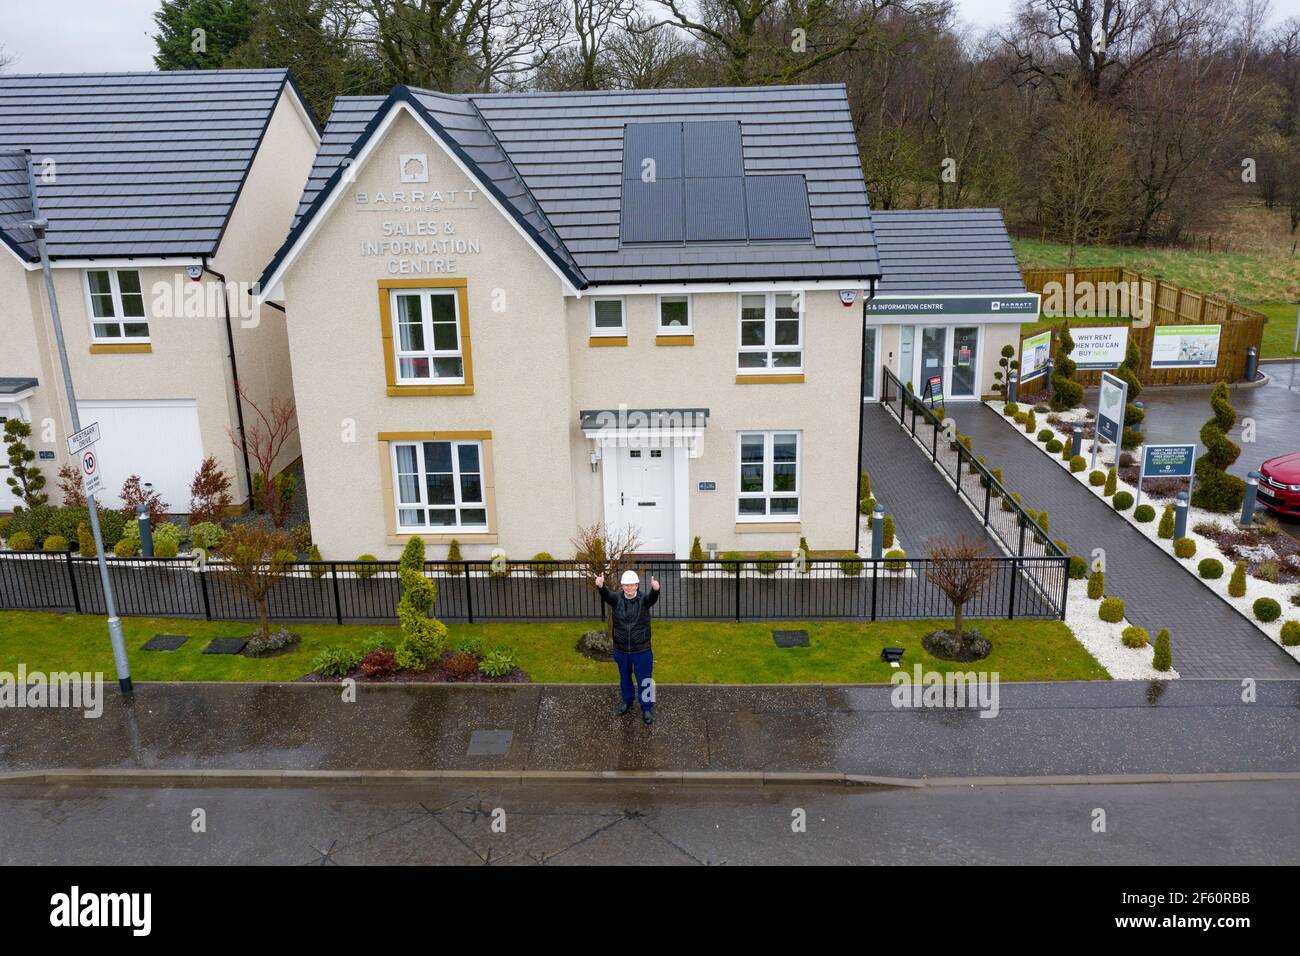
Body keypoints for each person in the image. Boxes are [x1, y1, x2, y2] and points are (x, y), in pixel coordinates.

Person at [595, 569, 660, 724]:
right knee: (625, 679)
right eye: (626, 585)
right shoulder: (616, 599)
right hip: (622, 650)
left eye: (632, 585)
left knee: (646, 680)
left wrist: (655, 589)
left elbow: (652, 598)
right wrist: (601, 586)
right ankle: (628, 702)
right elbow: (606, 595)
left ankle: (647, 708)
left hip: (642, 650)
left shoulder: (644, 599)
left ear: (637, 585)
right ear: (622, 586)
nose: (629, 588)